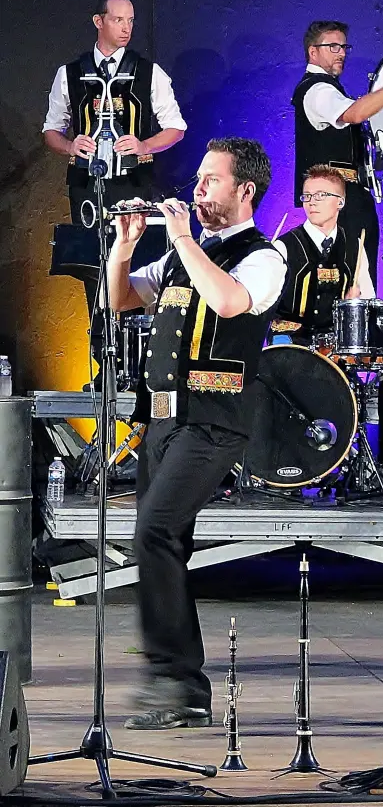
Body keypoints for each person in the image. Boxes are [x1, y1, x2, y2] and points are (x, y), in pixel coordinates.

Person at [107, 137, 286, 730]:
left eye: (212, 180)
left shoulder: (264, 256)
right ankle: (180, 688)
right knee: (164, 541)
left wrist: (183, 238)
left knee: (154, 531)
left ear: (245, 190)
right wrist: (124, 245)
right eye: (200, 178)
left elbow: (230, 302)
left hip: (214, 420)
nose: (198, 189)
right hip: (163, 420)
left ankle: (176, 679)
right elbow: (119, 298)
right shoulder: (183, 255)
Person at [43, 0, 187, 382]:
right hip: (87, 187)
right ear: (99, 21)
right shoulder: (70, 73)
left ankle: (137, 366)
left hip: (133, 184)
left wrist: (144, 146)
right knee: (94, 269)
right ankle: (104, 366)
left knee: (134, 267)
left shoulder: (148, 72)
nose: (126, 28)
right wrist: (70, 146)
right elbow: (51, 130)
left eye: (131, 21)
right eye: (118, 20)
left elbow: (175, 127)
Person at [273, 164, 383, 466]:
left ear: (340, 202)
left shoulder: (353, 246)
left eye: (321, 195)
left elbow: (368, 298)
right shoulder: (283, 246)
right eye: (307, 196)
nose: (312, 202)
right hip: (294, 338)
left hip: (336, 342)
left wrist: (356, 302)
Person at [292, 20, 383, 289]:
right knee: (352, 281)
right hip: (338, 202)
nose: (341, 53)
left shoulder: (329, 89)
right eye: (333, 47)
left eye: (344, 47)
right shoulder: (317, 90)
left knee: (356, 277)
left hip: (347, 199)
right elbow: (355, 113)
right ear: (313, 52)